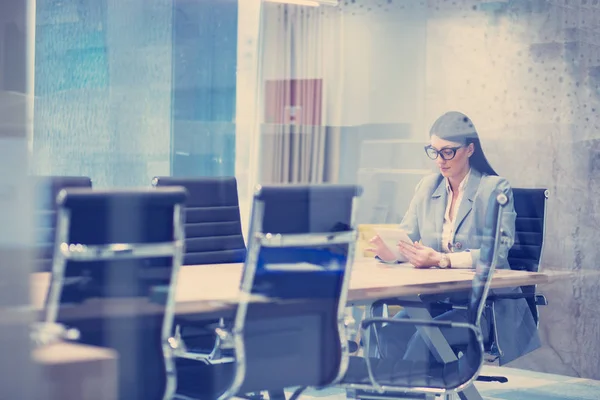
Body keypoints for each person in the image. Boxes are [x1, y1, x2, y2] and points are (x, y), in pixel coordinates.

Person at [369, 111, 540, 366]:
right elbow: (408, 237)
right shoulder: (427, 186)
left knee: (422, 341)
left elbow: (498, 252)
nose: (440, 160)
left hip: (481, 307)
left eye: (448, 151)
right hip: (437, 300)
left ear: (470, 149)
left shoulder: (494, 188)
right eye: (434, 151)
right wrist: (390, 251)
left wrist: (442, 260)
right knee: (389, 333)